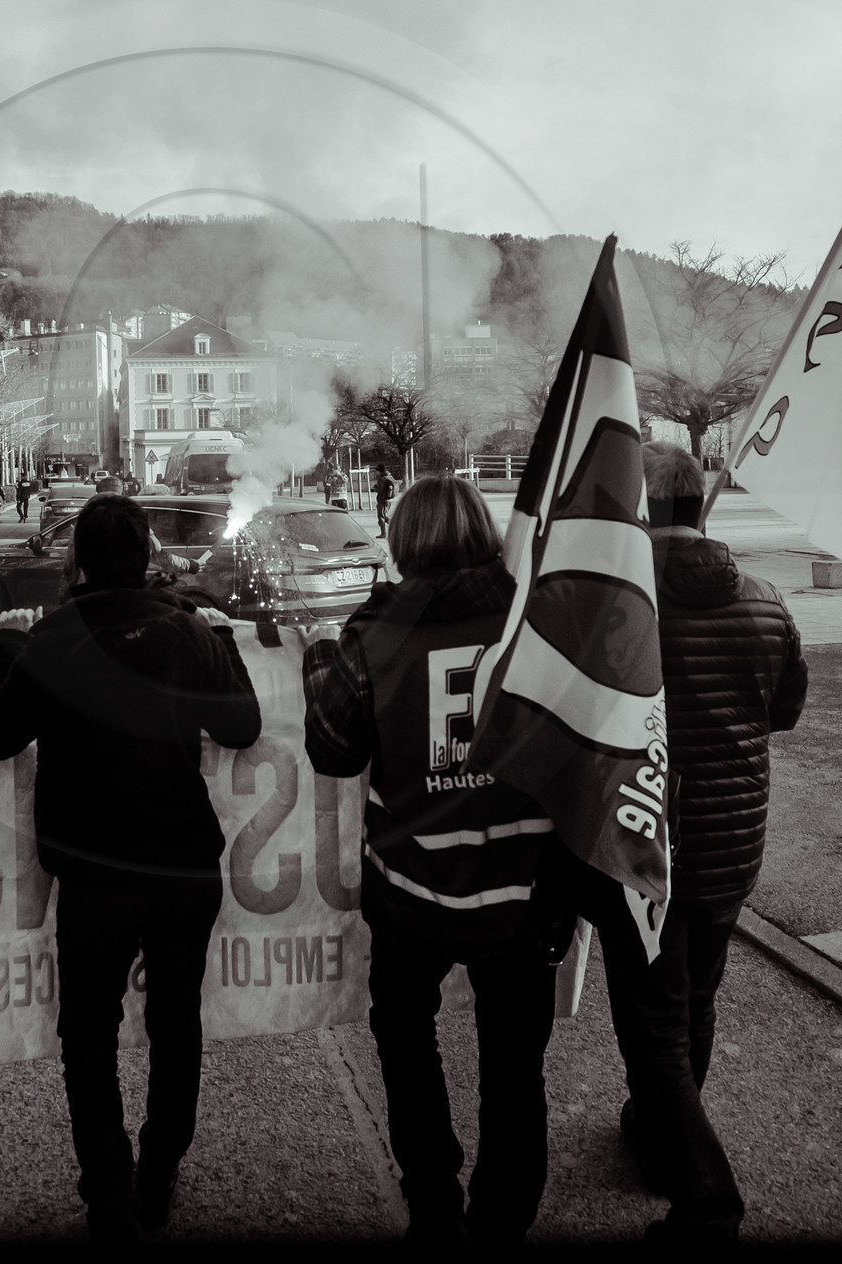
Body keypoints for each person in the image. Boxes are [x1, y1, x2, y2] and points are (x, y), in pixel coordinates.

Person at [0, 495, 262, 1243]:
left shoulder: (58, 637)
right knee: (175, 1024)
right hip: (183, 868)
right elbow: (241, 725)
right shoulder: (185, 629)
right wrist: (218, 641)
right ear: (149, 555)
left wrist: (6, 642)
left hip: (98, 874)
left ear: (78, 562)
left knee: (89, 1037)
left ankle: (110, 1196)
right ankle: (159, 1173)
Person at [301, 475, 573, 1252]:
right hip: (520, 889)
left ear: (403, 542)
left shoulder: (376, 631)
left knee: (409, 1052)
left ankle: (432, 1204)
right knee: (515, 1069)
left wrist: (322, 656)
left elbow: (334, 748)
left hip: (412, 888)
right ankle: (501, 1223)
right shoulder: (534, 621)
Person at [582, 443, 807, 1248]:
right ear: (700, 503)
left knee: (653, 1026)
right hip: (732, 845)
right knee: (695, 1001)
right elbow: (784, 712)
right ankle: (660, 1138)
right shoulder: (768, 600)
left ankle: (705, 1196)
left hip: (647, 845)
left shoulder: (620, 610)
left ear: (639, 508)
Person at [373, 465, 395, 536]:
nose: (375, 472)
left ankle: (384, 533)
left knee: (381, 517)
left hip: (383, 499)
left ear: (379, 471)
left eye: (376, 471)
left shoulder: (381, 479)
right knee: (384, 516)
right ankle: (394, 525)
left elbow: (380, 490)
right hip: (388, 499)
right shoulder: (388, 477)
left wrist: (375, 489)